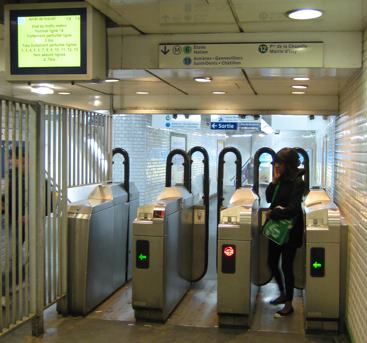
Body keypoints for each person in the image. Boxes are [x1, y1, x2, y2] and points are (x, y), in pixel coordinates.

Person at [265, 147, 306, 317]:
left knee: (287, 266)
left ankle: (289, 304)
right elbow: (268, 198)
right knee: (272, 262)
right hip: (276, 229)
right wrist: (274, 181)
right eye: (275, 163)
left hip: (290, 231)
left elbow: (293, 209)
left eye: (279, 163)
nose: (276, 166)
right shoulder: (280, 180)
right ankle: (282, 293)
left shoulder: (299, 183)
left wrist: (274, 213)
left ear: (288, 165)